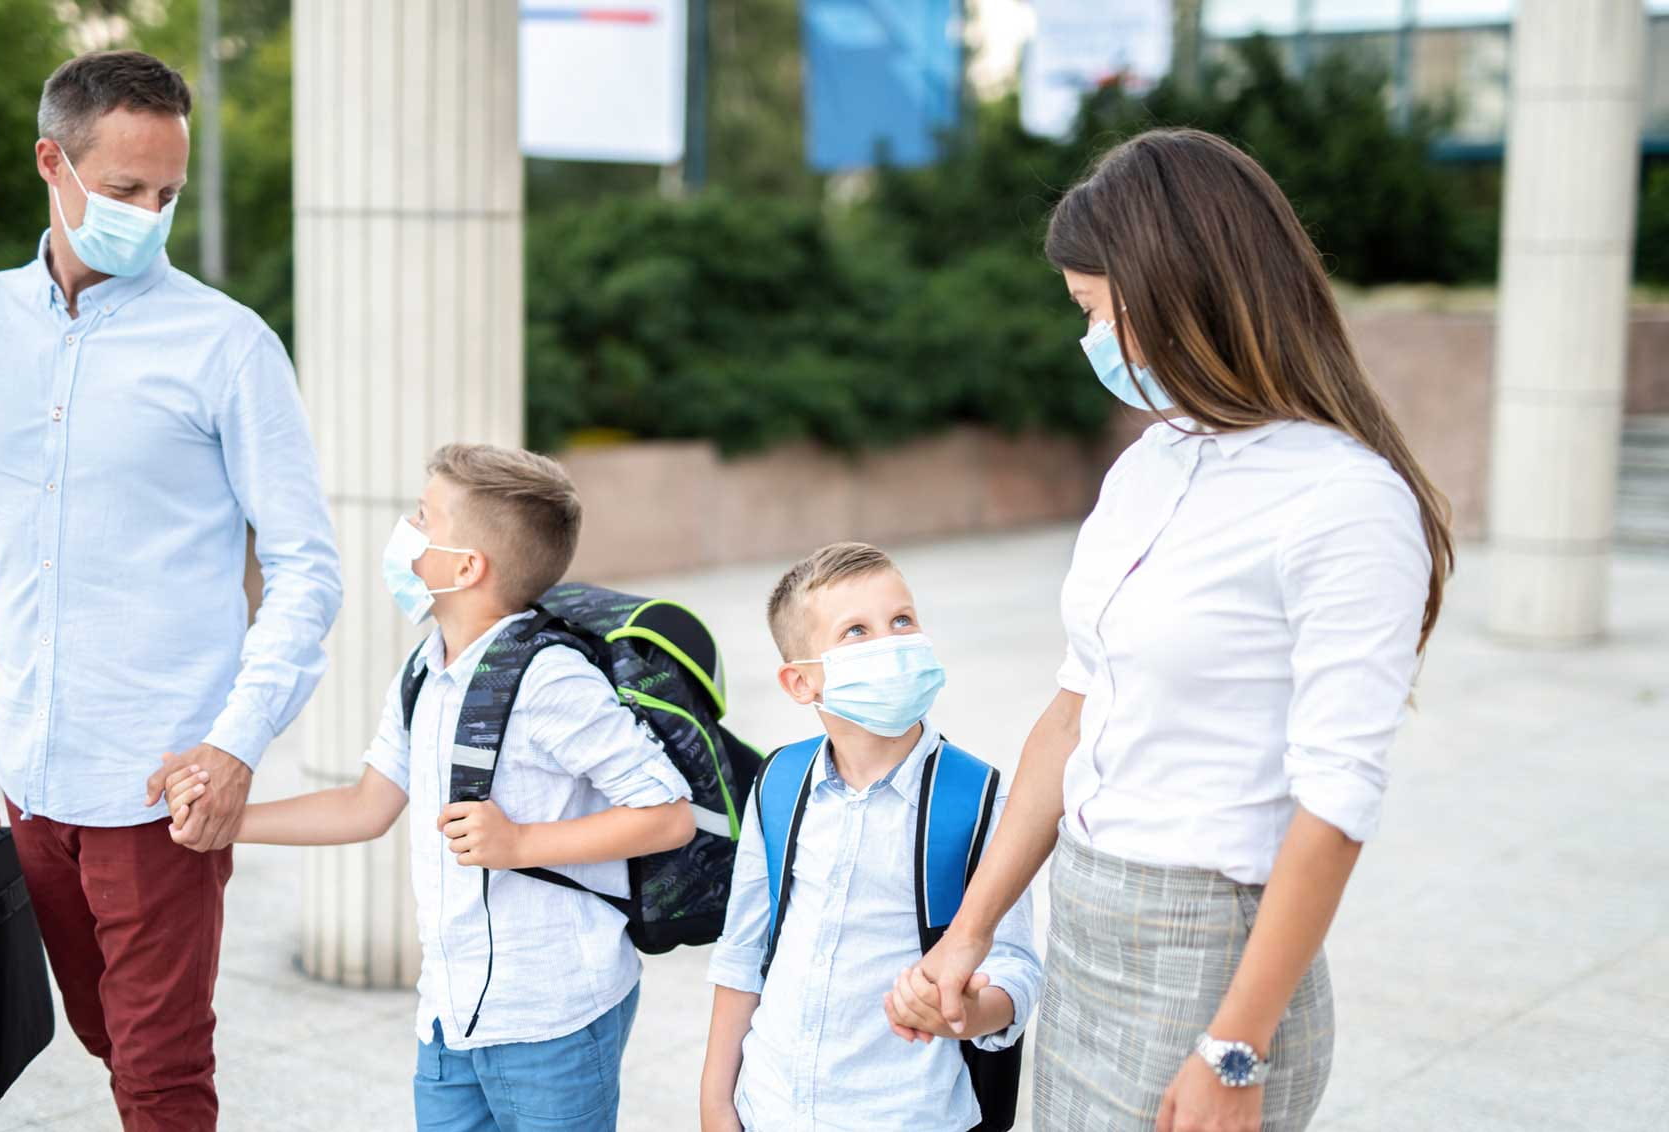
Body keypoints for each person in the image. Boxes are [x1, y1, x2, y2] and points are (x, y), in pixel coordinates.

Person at [887, 128, 1452, 1132]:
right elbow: (1073, 716)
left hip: (1214, 959)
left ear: (1177, 292)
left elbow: (1335, 802)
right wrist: (968, 933)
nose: (1091, 340)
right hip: (1088, 925)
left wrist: (1236, 1047)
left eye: (1094, 310)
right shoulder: (1151, 465)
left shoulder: (1345, 502)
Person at [0, 50, 342, 1130]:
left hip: (163, 792)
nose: (150, 216)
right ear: (51, 163)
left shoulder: (229, 346)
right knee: (106, 1036)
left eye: (168, 193)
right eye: (125, 190)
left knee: (161, 1073)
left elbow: (307, 566)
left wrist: (235, 745)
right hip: (29, 778)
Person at [158, 443, 696, 1132]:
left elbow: (668, 814)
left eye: (423, 517)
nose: (406, 531)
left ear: (467, 567)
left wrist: (520, 842)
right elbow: (365, 806)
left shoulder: (551, 679)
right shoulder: (426, 667)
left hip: (554, 1020)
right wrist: (226, 821)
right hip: (448, 1018)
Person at [700, 542, 1043, 1132]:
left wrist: (968, 1012)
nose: (891, 642)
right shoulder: (779, 783)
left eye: (902, 620)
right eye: (856, 631)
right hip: (770, 1106)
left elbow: (1015, 966)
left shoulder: (978, 797)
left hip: (907, 1114)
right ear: (801, 682)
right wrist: (715, 1102)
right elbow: (744, 949)